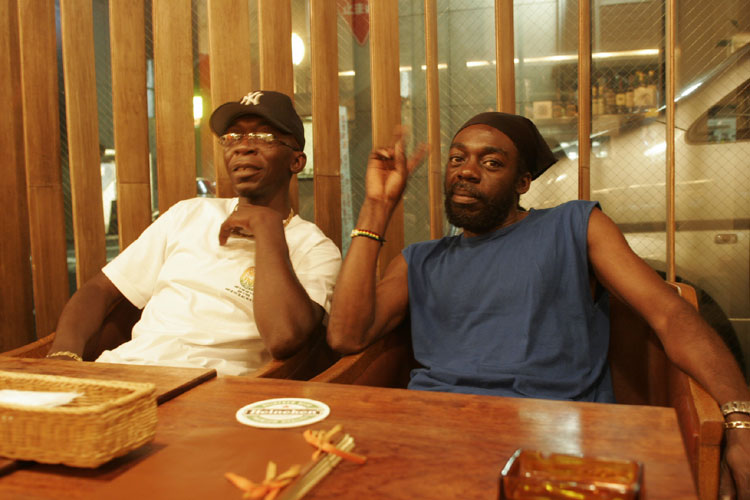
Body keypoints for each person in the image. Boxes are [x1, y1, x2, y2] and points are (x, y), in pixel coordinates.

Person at [326, 112, 750, 497]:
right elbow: (346, 336)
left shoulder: (573, 225)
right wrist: (378, 206)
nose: (467, 171)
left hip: (554, 443)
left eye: (491, 163)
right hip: (436, 438)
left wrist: (741, 420)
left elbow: (670, 314)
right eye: (457, 159)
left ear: (522, 183)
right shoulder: (418, 259)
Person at [48, 90, 341, 376]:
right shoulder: (188, 214)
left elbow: (284, 338)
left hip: (212, 390)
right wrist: (63, 356)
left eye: (263, 137)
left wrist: (268, 229)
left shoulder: (314, 247)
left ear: (296, 161)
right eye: (233, 137)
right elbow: (99, 290)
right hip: (125, 371)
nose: (243, 147)